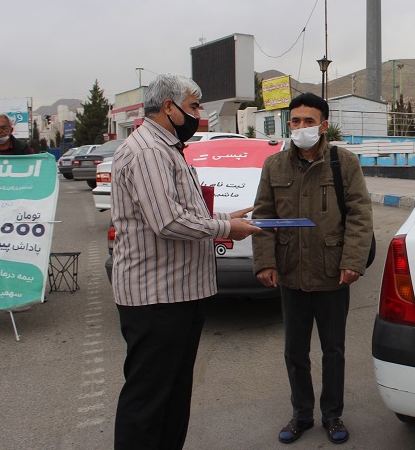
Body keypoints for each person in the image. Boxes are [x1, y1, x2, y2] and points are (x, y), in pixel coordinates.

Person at [110, 73, 262, 450]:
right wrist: (226, 227)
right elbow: (168, 221)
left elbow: (181, 210)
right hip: (157, 299)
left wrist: (227, 215)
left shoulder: (167, 148)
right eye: (193, 106)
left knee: (173, 395)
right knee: (148, 400)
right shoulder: (149, 151)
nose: (199, 115)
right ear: (169, 107)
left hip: (179, 294)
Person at [252, 92, 374, 445]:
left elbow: (360, 215)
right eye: (295, 121)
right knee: (295, 351)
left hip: (332, 272)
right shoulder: (274, 165)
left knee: (333, 350)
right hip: (291, 272)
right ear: (288, 124)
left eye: (309, 121)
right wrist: (265, 261)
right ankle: (302, 415)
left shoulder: (344, 162)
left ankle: (332, 415)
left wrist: (352, 261)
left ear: (323, 125)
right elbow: (264, 215)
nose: (301, 127)